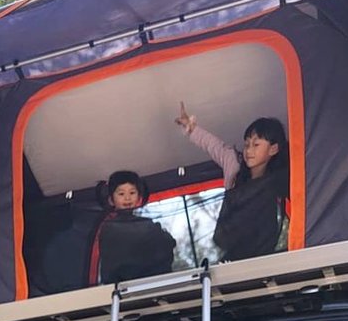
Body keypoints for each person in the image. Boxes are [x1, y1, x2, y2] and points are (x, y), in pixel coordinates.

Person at [175, 104, 288, 261]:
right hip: (233, 254)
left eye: (256, 145)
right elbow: (213, 146)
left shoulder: (282, 179)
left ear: (274, 149)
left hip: (264, 257)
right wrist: (191, 128)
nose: (249, 151)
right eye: (247, 144)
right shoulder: (235, 166)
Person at [88, 169, 175, 284]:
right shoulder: (109, 228)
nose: (127, 198)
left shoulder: (148, 224)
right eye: (121, 194)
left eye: (132, 193)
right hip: (121, 288)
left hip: (152, 283)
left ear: (139, 198)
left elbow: (167, 245)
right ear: (111, 200)